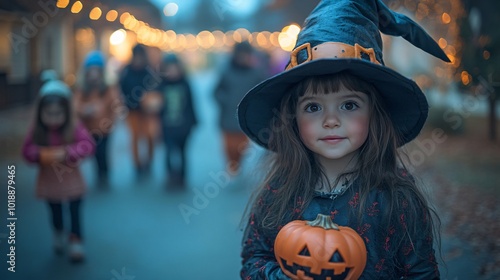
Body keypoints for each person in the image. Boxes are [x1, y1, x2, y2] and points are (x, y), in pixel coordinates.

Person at [238, 0, 450, 279]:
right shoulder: (281, 191)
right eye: (313, 107)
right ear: (293, 118)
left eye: (349, 105)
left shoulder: (395, 197)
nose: (331, 120)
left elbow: (421, 273)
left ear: (375, 113)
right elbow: (254, 259)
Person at [22, 78, 95, 263]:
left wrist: (68, 153)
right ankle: (58, 231)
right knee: (55, 210)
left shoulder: (74, 127)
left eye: (58, 114)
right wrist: (40, 155)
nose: (53, 119)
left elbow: (88, 145)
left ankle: (76, 240)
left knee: (75, 209)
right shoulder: (37, 131)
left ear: (67, 112)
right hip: (50, 178)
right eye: (49, 114)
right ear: (40, 113)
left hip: (71, 177)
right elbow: (26, 151)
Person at [214, 41, 266, 175]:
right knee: (229, 147)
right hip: (227, 118)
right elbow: (216, 91)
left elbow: (262, 91)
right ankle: (232, 169)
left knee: (241, 148)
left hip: (245, 118)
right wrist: (226, 101)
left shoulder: (256, 73)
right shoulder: (226, 72)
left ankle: (236, 168)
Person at [74, 51, 120, 186]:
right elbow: (75, 106)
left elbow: (116, 105)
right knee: (93, 153)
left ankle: (104, 174)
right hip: (89, 128)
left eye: (97, 70)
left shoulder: (108, 88)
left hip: (105, 129)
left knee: (103, 152)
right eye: (91, 70)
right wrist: (86, 109)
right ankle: (99, 174)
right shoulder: (83, 89)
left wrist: (111, 122)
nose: (94, 74)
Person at [154, 53, 197, 188]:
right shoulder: (161, 86)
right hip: (167, 126)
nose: (172, 71)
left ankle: (182, 178)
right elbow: (155, 106)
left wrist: (193, 122)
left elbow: (191, 104)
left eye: (174, 68)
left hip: (183, 126)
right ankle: (170, 177)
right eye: (169, 69)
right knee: (168, 152)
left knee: (183, 153)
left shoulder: (185, 84)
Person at [119, 44, 159, 177]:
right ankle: (137, 164)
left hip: (147, 111)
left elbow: (155, 89)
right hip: (132, 110)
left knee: (149, 137)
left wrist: (148, 99)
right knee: (135, 137)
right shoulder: (126, 71)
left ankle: (149, 161)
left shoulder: (148, 71)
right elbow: (121, 89)